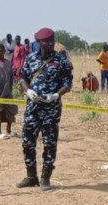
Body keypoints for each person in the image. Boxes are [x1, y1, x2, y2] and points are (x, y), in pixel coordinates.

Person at [18, 28, 73, 191]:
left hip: (51, 109)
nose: (50, 43)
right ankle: (31, 176)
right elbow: (22, 78)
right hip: (32, 108)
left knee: (49, 143)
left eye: (52, 41)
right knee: (27, 142)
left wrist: (56, 95)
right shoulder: (30, 58)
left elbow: (67, 83)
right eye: (46, 41)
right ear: (39, 42)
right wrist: (28, 91)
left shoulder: (61, 61)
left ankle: (45, 178)